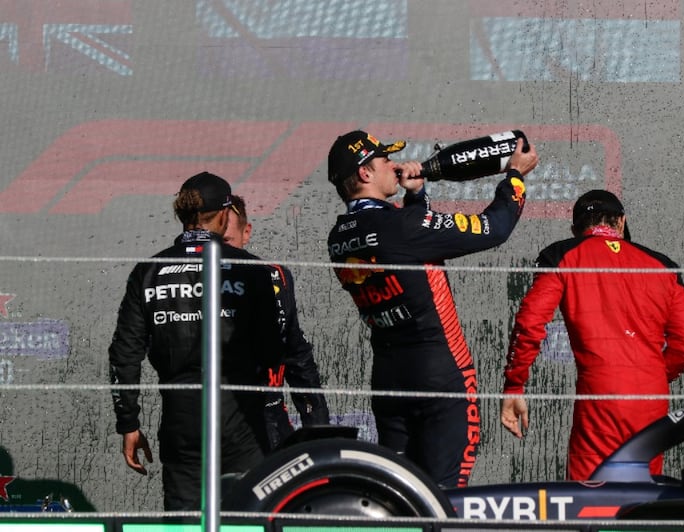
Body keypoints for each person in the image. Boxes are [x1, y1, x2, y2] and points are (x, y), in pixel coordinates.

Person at [326, 129, 539, 488]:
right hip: (440, 373)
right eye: (384, 160)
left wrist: (417, 196)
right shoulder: (402, 226)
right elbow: (494, 228)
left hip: (389, 379)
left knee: (398, 497)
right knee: (444, 498)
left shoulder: (338, 235)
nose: (394, 165)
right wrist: (514, 178)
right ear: (365, 174)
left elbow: (405, 256)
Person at [108, 171, 291, 510]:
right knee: (247, 516)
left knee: (185, 519)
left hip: (181, 418)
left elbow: (124, 352)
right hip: (241, 416)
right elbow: (272, 350)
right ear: (225, 215)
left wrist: (128, 422)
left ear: (182, 214)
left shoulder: (148, 271)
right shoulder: (253, 270)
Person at [501, 189, 684, 480]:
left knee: (590, 499)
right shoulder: (663, 265)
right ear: (621, 222)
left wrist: (514, 384)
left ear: (576, 229)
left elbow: (529, 324)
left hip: (601, 393)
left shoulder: (562, 254)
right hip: (651, 395)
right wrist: (653, 375)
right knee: (642, 498)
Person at [224, 194, 330, 450]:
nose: (221, 253)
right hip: (214, 422)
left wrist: (318, 429)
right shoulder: (189, 282)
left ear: (246, 233)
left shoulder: (275, 277)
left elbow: (296, 354)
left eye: (227, 241)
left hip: (270, 421)